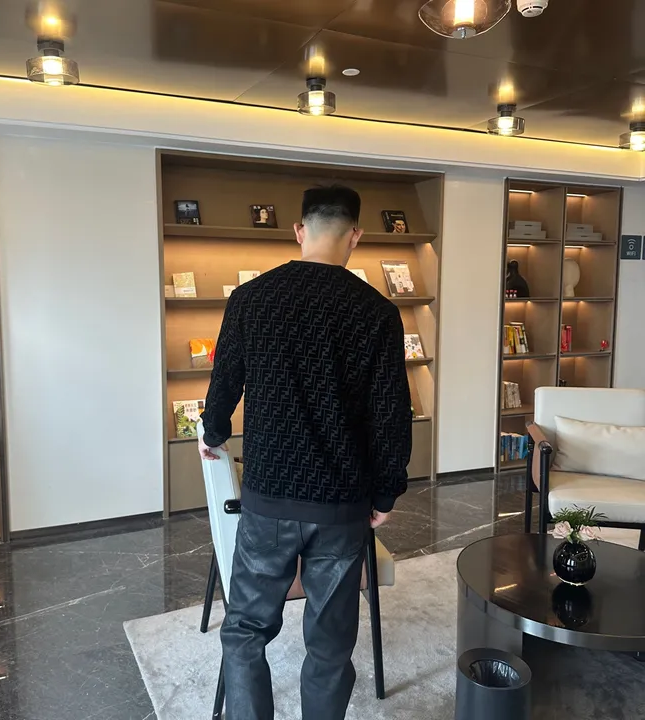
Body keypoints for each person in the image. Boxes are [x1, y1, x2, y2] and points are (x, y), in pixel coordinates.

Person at [199, 185, 412, 720]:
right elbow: (391, 415)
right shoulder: (376, 312)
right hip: (341, 504)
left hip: (269, 497)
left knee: (245, 630)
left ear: (299, 230)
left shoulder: (251, 299)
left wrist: (212, 432)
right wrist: (386, 493)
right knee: (331, 643)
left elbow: (225, 384)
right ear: (355, 236)